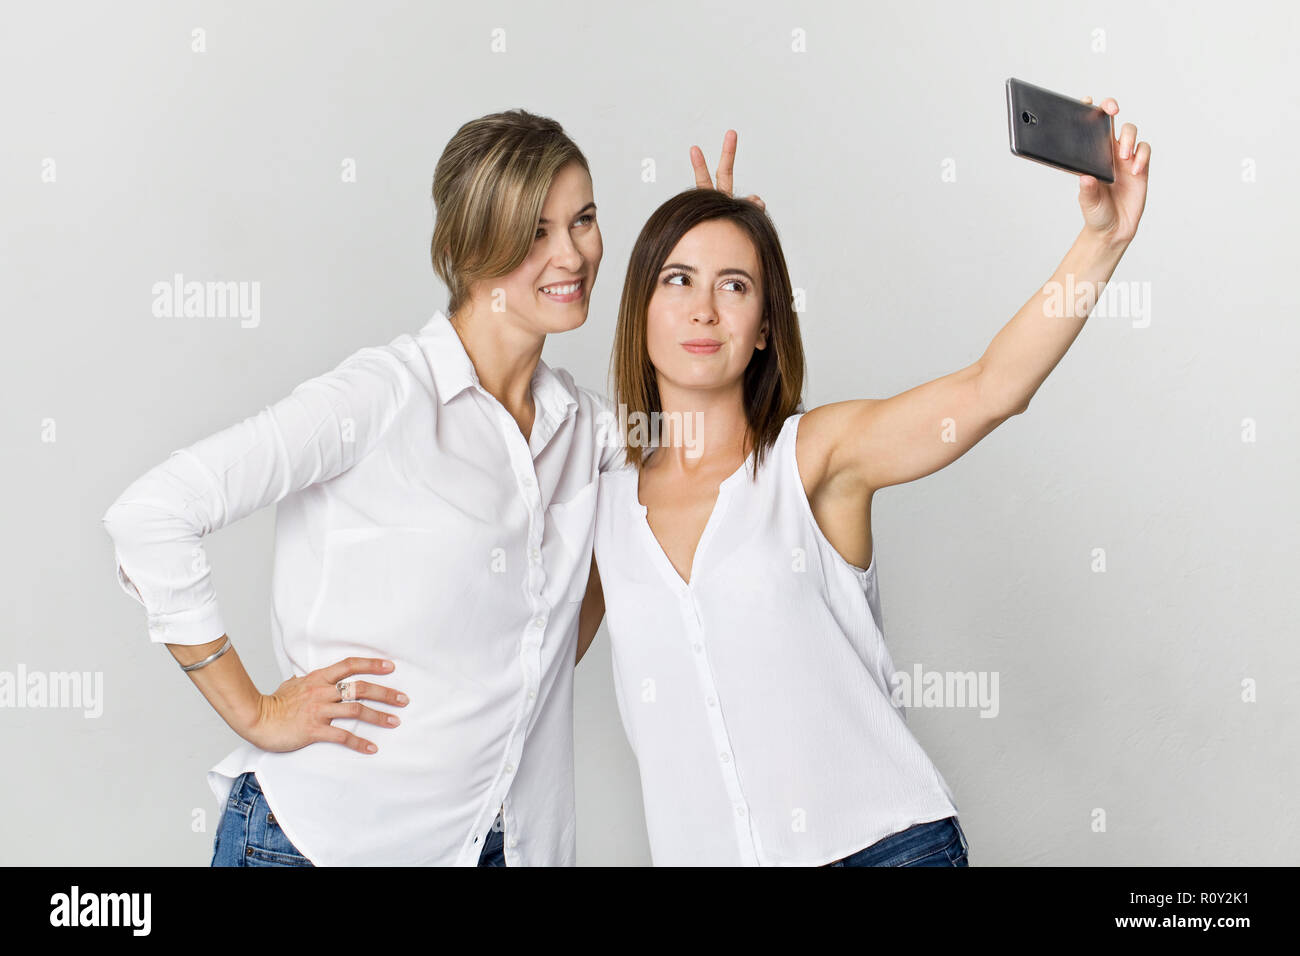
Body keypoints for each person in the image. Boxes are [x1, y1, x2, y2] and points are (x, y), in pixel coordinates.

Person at [101, 109, 753, 866]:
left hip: (505, 844)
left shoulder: (590, 432)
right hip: (324, 845)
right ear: (472, 248)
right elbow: (151, 516)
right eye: (535, 231)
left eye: (584, 219)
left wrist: (733, 273)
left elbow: (724, 461)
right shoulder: (379, 400)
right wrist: (254, 712)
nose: (573, 254)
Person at [579, 96, 1149, 865]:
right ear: (639, 309)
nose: (704, 309)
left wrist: (1101, 241)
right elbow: (518, 658)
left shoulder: (816, 458)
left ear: (766, 328)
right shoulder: (604, 507)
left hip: (885, 849)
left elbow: (990, 390)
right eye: (678, 279)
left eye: (736, 286)